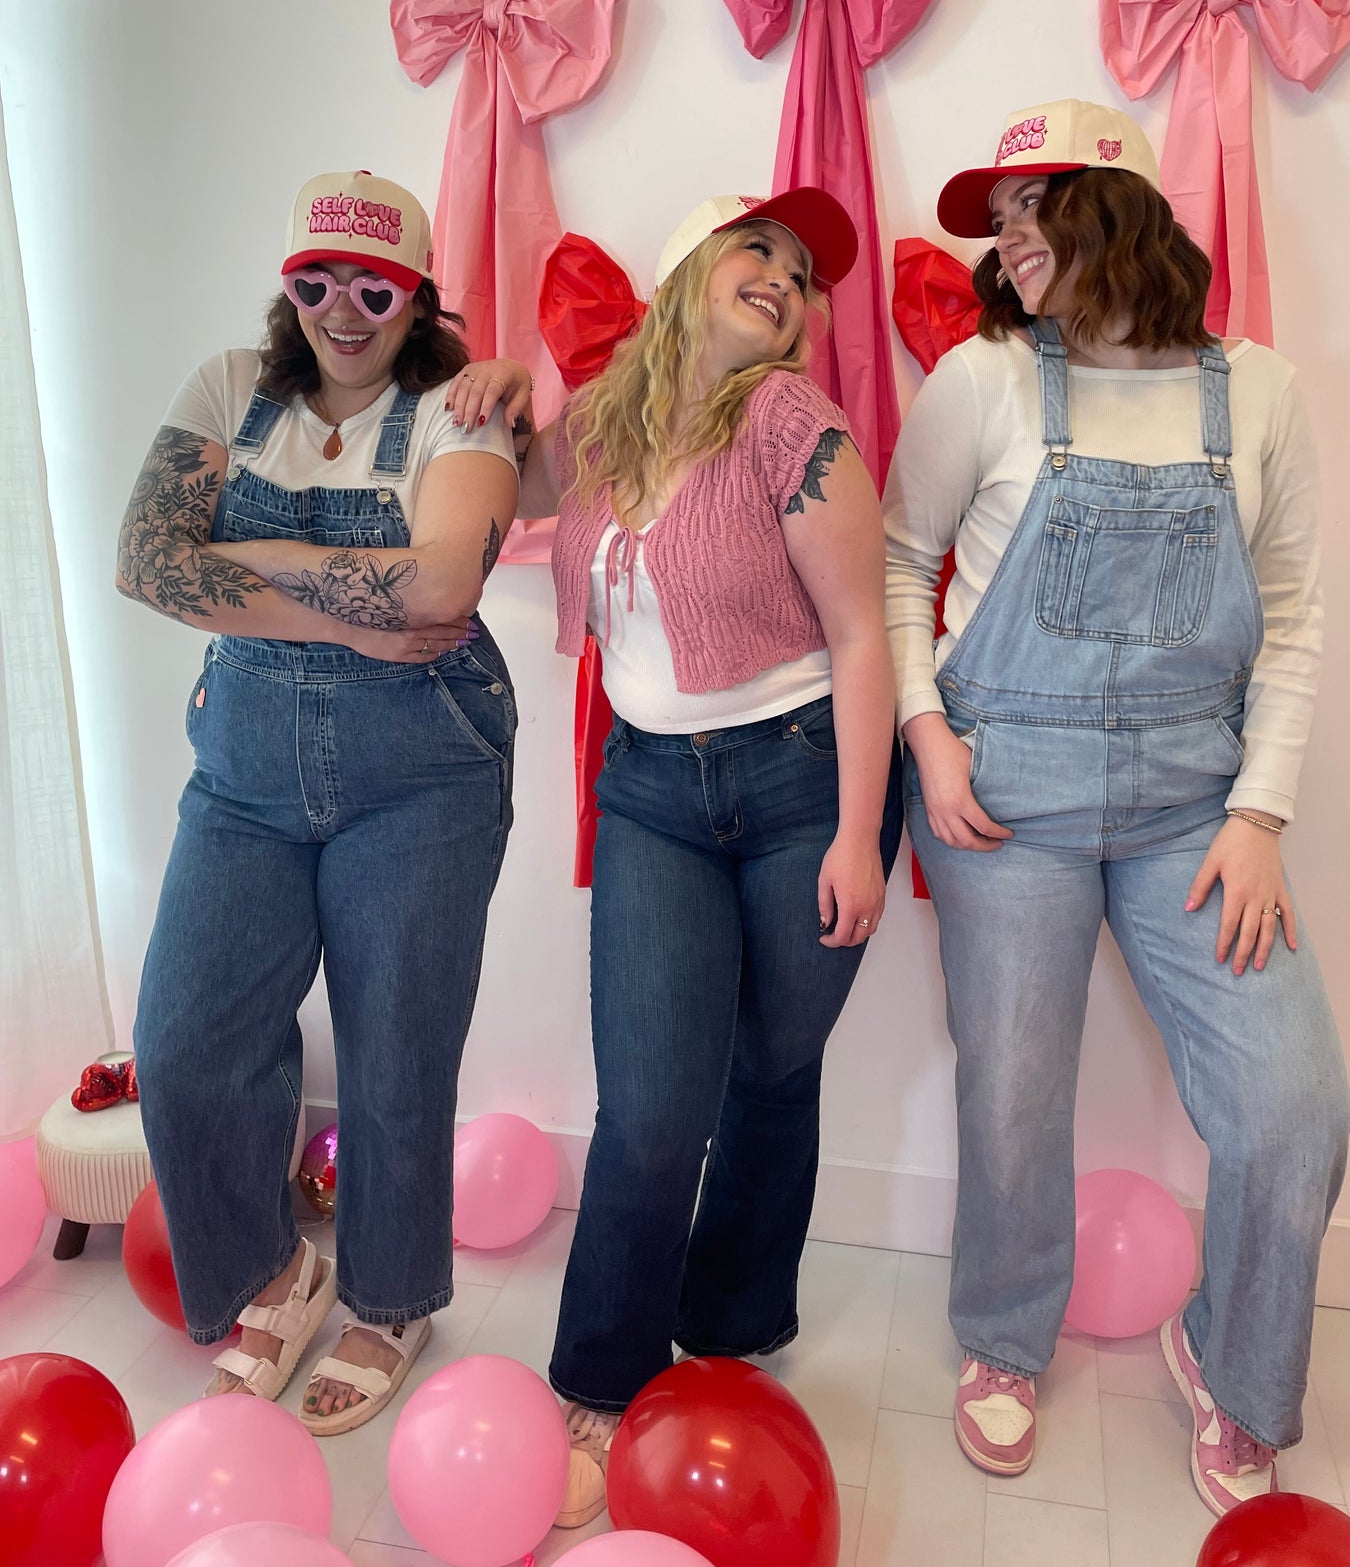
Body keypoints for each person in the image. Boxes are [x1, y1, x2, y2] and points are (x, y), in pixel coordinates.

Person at [883, 102, 1350, 1516]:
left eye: (1040, 204)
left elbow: (1296, 616)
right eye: (999, 213)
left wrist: (1260, 811)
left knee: (1294, 1106)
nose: (1009, 234)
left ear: (1122, 212)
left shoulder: (1255, 390)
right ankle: (1003, 1335)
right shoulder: (981, 379)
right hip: (1002, 786)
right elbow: (904, 563)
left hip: (1193, 807)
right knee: (1012, 1084)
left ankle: (1235, 1360)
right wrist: (929, 740)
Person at [448, 187, 905, 1526]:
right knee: (653, 1109)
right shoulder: (598, 424)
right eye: (758, 249)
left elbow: (864, 635)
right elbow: (505, 471)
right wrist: (482, 380)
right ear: (683, 274)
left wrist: (857, 837)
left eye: (803, 272)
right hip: (650, 790)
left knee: (772, 1063)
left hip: (805, 778)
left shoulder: (794, 428)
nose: (786, 277)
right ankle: (599, 1375)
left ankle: (732, 1323)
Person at [122, 170, 523, 1434]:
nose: (340, 312)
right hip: (241, 765)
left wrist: (233, 567)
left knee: (398, 1049)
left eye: (373, 287)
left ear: (416, 297)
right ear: (284, 285)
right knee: (186, 1039)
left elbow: (445, 581)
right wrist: (337, 598)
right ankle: (275, 1270)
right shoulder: (226, 385)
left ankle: (391, 1299)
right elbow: (143, 558)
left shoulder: (459, 408)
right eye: (314, 283)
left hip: (424, 765)